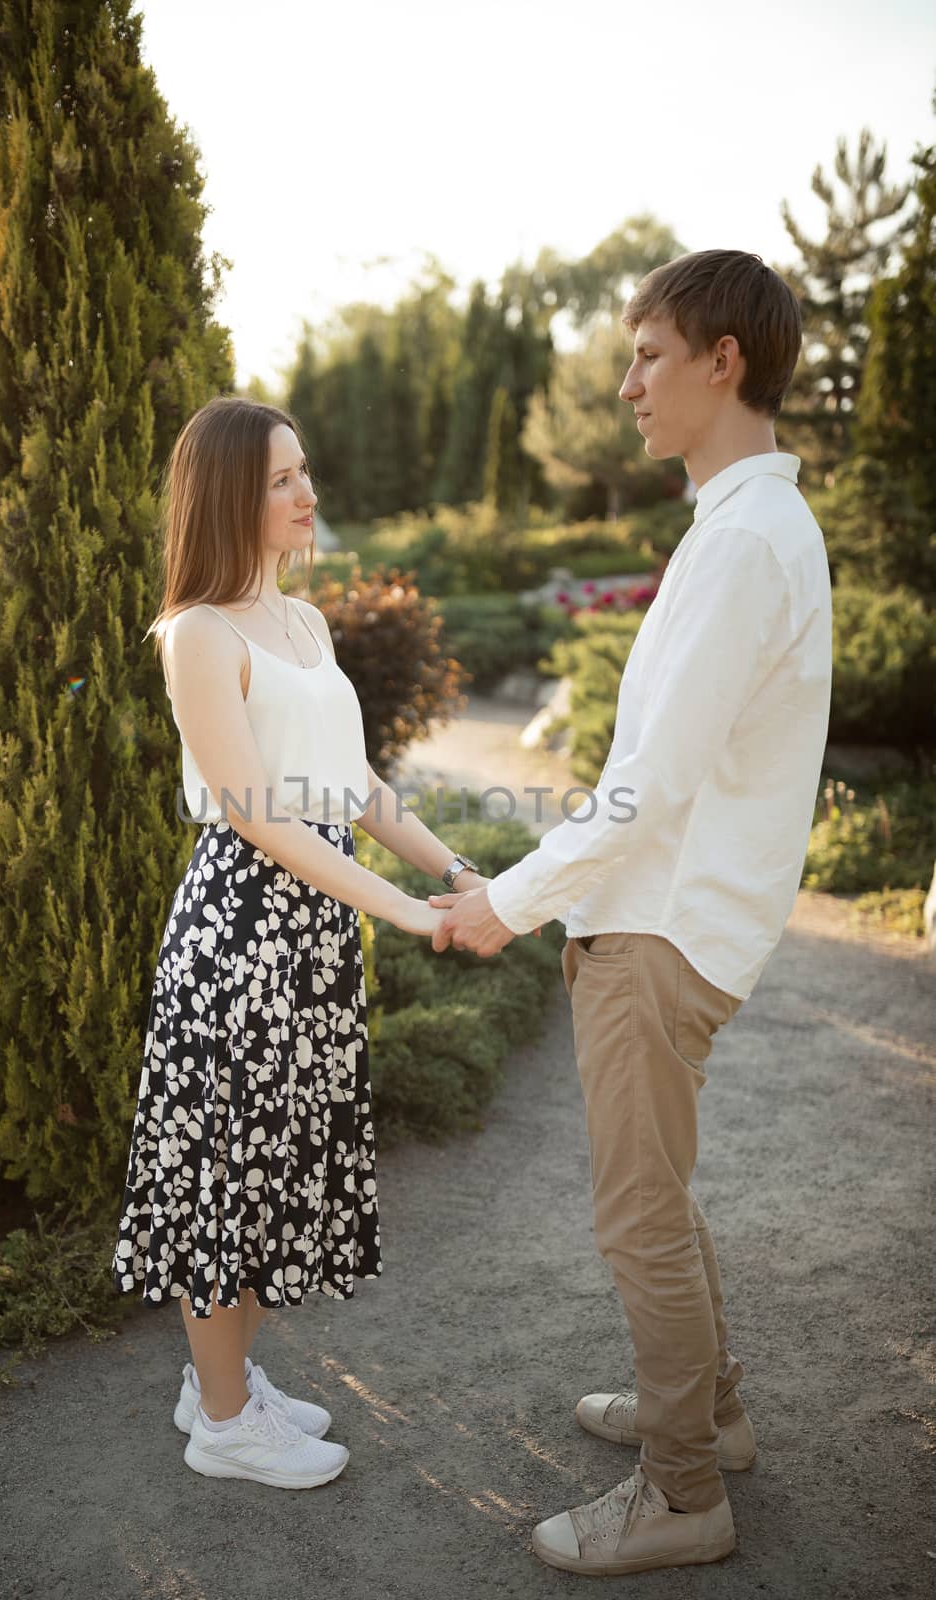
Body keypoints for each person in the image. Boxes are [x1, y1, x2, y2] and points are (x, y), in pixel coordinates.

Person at [430, 250, 832, 1575]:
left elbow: (647, 789)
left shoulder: (745, 545)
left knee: (636, 1217)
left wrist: (506, 900)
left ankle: (679, 1498)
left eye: (648, 355)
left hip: (660, 929)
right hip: (659, 918)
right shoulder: (736, 527)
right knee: (657, 1197)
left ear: (723, 361)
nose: (625, 384)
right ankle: (705, 1420)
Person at [111, 396, 490, 1490]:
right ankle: (223, 1423)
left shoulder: (305, 624)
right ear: (230, 491)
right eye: (281, 478)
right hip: (239, 935)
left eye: (304, 471)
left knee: (283, 1168)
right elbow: (259, 814)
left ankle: (216, 1381)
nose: (305, 493)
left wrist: (453, 872)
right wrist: (409, 914)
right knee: (230, 1171)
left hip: (313, 937)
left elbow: (354, 786)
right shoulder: (197, 633)